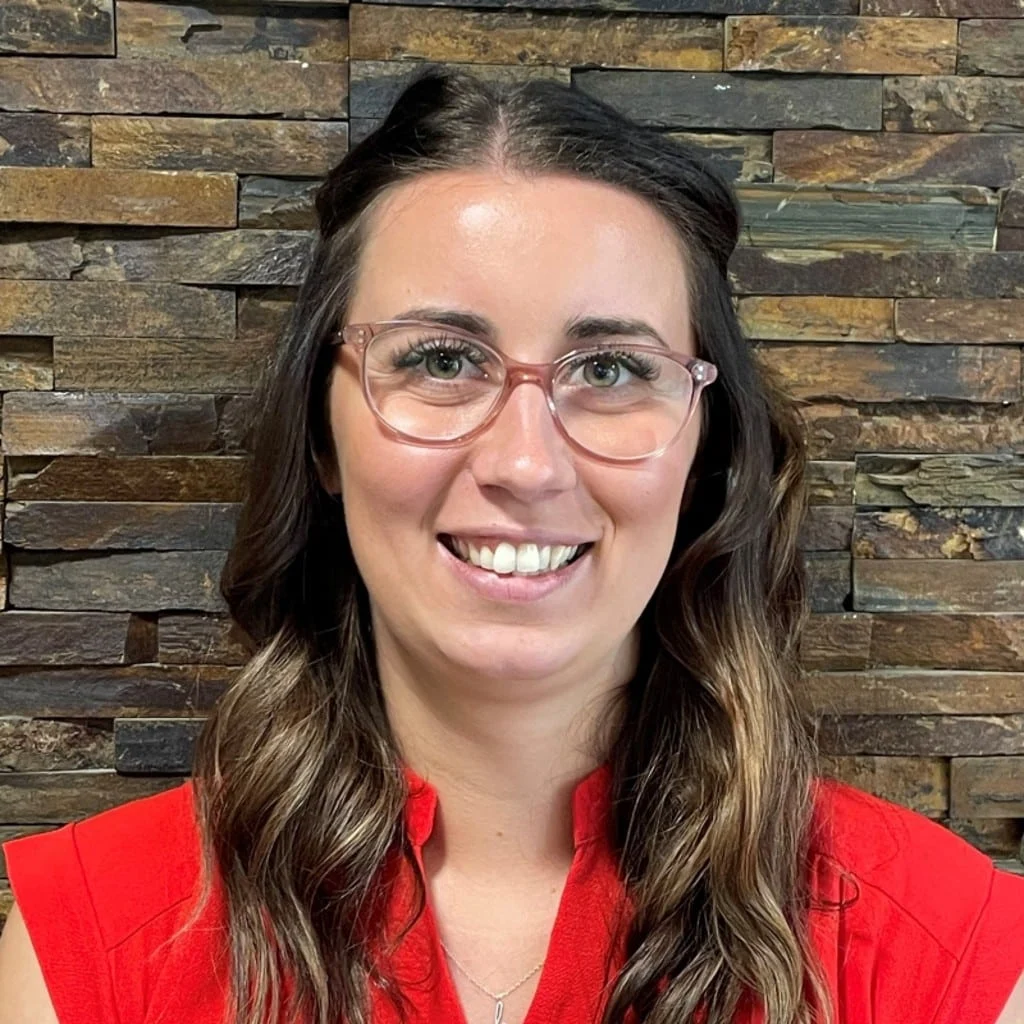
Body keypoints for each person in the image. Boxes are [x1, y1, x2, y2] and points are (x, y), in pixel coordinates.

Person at [1, 65, 1023, 1024]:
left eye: (613, 369)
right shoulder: (91, 944)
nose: (525, 465)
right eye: (441, 359)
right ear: (318, 432)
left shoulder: (945, 950)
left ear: (704, 447)